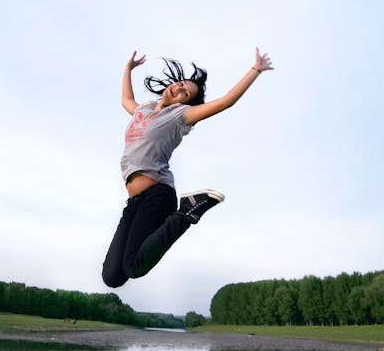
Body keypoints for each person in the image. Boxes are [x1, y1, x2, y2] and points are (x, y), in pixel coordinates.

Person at [101, 47, 274, 288]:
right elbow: (126, 100)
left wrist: (255, 70)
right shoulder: (144, 110)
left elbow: (225, 102)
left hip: (157, 196)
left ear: (186, 102)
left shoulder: (180, 115)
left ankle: (187, 213)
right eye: (181, 84)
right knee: (113, 277)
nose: (179, 89)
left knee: (134, 266)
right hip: (134, 202)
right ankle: (183, 214)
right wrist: (128, 69)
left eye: (185, 93)